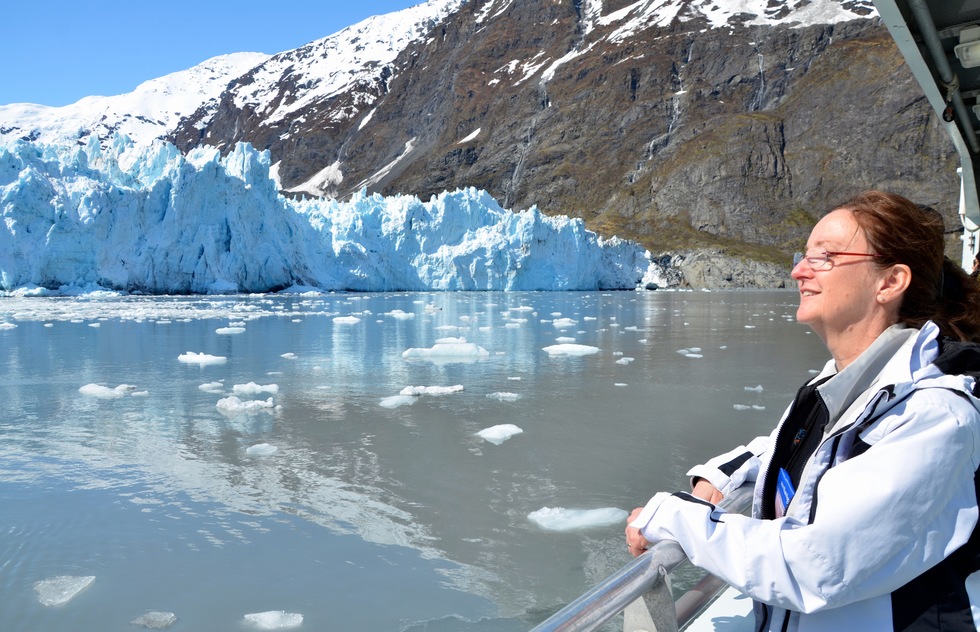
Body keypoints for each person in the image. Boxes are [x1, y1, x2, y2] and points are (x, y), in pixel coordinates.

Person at [625, 190, 980, 631]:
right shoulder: (835, 386)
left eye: (826, 257)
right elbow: (812, 453)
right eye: (803, 255)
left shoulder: (934, 414)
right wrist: (723, 473)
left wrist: (675, 515)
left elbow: (816, 565)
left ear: (889, 282)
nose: (798, 271)